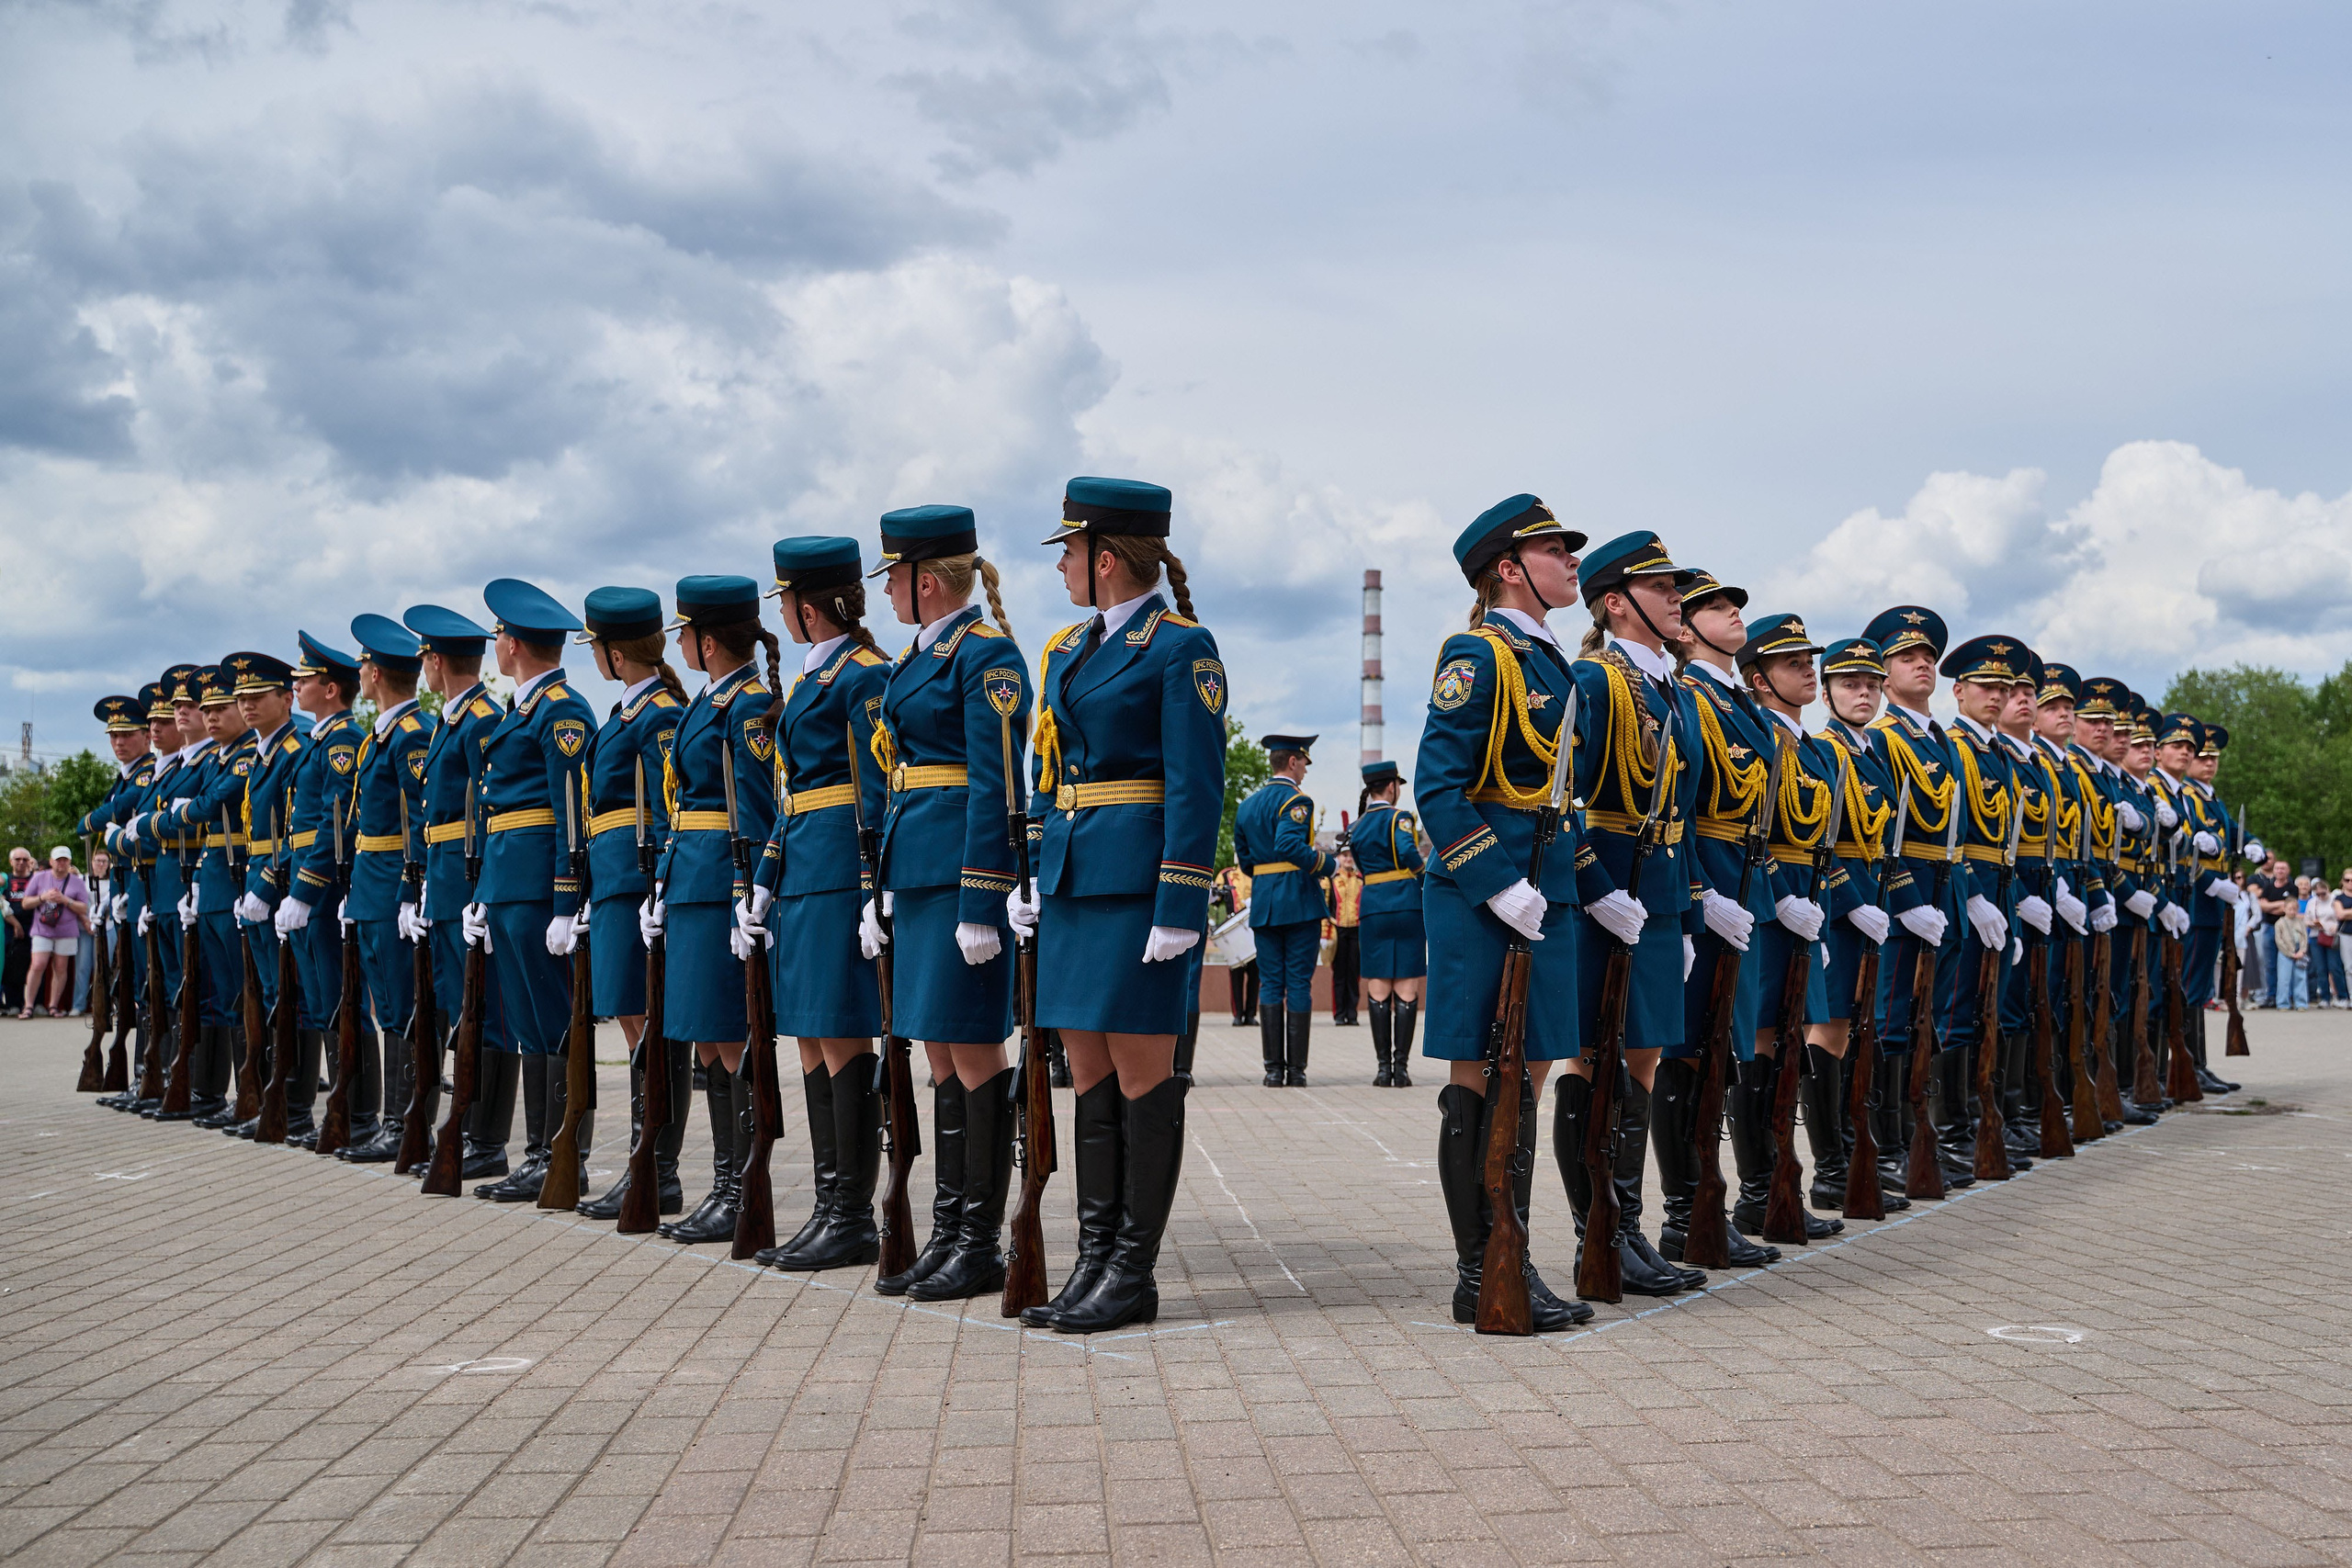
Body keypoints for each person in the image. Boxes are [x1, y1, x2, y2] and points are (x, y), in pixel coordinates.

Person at [1008, 475, 1225, 1336]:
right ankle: (1093, 1260)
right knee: (1089, 1074)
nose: (1061, 563)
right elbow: (1048, 770)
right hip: (1073, 882)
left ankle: (1132, 1271)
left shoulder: (1180, 648)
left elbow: (1196, 782)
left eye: (1069, 549)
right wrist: (1031, 872)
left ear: (1105, 558)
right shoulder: (1067, 648)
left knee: (1143, 1078)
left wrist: (1181, 899)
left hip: (1137, 886)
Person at [1413, 494, 1594, 1332]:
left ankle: (1509, 1256)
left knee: (1530, 1074)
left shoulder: (1553, 662)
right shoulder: (1478, 653)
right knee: (1479, 1078)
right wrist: (1495, 882)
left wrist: (1585, 887)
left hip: (1542, 894)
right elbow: (1438, 787)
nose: (1572, 561)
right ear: (1510, 569)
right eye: (1556, 549)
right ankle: (1479, 1267)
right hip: (1482, 898)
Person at [849, 506, 1030, 1298]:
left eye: (892, 576)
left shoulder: (985, 655)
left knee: (973, 1046)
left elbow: (997, 783)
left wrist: (983, 893)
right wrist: (882, 884)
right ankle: (951, 1228)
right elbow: (900, 779)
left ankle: (979, 1240)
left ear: (926, 581)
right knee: (938, 1049)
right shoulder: (914, 659)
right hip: (918, 872)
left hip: (960, 873)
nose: (885, 591)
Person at [1561, 531, 1711, 1296]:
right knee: (1596, 1060)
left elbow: (1684, 817)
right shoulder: (1592, 679)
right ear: (1616, 602)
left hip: (1655, 896)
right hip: (1607, 896)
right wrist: (1594, 887)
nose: (1677, 598)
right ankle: (1597, 1235)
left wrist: (1684, 916)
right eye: (1661, 588)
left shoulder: (1672, 690)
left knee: (1644, 1057)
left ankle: (1627, 1228)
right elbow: (1561, 802)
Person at [744, 540, 888, 1269]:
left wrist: (871, 887)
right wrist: (765, 878)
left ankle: (852, 1214)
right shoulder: (811, 677)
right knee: (807, 1034)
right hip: (802, 870)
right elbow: (790, 795)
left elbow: (876, 790)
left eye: (785, 600)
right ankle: (830, 1204)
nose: (781, 611)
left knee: (841, 1036)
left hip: (837, 874)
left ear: (806, 607)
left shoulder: (863, 674)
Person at [645, 575, 776, 1240]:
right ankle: (725, 1183)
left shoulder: (746, 705)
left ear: (709, 640)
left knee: (729, 1037)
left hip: (721, 882)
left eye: (686, 633)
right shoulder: (709, 699)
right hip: (690, 880)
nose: (679, 645)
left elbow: (754, 811)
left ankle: (741, 1187)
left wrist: (744, 894)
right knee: (707, 1040)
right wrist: (663, 883)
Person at [464, 581, 598, 1202]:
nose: (495, 643)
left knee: (555, 1023)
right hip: (509, 885)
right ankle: (539, 1153)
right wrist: (486, 892)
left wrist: (566, 901)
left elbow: (572, 814)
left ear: (513, 644)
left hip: (541, 891)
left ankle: (563, 1153)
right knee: (528, 1026)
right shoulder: (522, 710)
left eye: (498, 633)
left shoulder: (560, 711)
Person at [1736, 615, 1866, 1230]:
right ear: (1760, 679)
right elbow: (1746, 832)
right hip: (1768, 911)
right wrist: (1782, 897)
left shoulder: (1814, 749)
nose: (1808, 671)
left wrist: (1823, 910)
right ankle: (1758, 1191)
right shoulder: (1759, 735)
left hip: (1805, 914)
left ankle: (1781, 1184)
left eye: (1808, 661)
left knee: (1792, 1042)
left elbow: (1823, 847)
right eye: (1793, 663)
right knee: (1763, 1044)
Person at [1665, 570, 1777, 1264]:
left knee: (1723, 1052)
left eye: (1736, 603)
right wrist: (1700, 894)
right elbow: (1678, 807)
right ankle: (1686, 1212)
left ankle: (1711, 1203)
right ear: (1685, 627)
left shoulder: (1740, 703)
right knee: (1688, 1052)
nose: (1734, 612)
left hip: (1745, 886)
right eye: (1714, 606)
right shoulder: (1690, 697)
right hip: (1706, 886)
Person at [571, 588, 686, 1215]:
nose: (594, 656)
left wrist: (660, 884)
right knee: (632, 1019)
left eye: (597, 647)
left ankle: (657, 1168)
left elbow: (669, 809)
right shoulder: (626, 711)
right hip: (613, 879)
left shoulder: (660, 713)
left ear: (616, 654)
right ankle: (646, 1162)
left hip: (639, 880)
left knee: (651, 1025)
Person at [403, 603, 518, 1177]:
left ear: (436, 661)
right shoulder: (452, 720)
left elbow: (492, 812)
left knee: (485, 1012)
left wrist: (482, 890)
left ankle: (487, 1140)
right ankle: (470, 1132)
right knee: (459, 1006)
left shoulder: (480, 721)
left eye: (425, 656)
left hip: (470, 878)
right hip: (446, 876)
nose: (423, 666)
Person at [1810, 636, 1916, 1212]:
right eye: (1850, 684)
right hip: (1838, 908)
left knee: (1854, 1029)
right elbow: (1816, 842)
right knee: (1827, 1030)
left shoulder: (1873, 752)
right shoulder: (1826, 751)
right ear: (1826, 693)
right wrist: (1850, 901)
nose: (1864, 694)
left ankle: (1855, 1154)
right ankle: (1831, 1167)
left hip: (1871, 906)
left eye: (1873, 685)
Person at [335, 615, 436, 1164]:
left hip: (393, 883)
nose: (360, 675)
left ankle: (406, 1124)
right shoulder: (382, 734)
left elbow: (421, 818)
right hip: (370, 886)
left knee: (403, 1007)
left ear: (375, 674)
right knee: (389, 1010)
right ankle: (395, 1122)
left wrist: (409, 887)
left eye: (363, 667)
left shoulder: (411, 733)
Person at [273, 632, 365, 1147]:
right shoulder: (320, 742)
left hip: (325, 884)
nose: (296, 685)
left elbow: (336, 824)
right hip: (309, 879)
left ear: (330, 690)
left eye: (304, 679)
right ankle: (338, 1114)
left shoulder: (343, 742)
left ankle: (352, 1115)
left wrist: (306, 889)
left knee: (337, 1001)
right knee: (318, 1001)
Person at [1234, 733, 1334, 1087]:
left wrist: (1268, 876)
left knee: (1271, 983)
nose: (1305, 770)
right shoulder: (1297, 801)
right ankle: (1296, 1072)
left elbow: (1246, 861)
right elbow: (1289, 844)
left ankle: (1273, 1072)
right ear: (1292, 762)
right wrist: (1328, 864)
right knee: (1299, 984)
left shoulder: (1247, 806)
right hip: (1299, 903)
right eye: (1304, 762)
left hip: (1264, 902)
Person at [1349, 759, 1424, 1088]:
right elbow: (1407, 852)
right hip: (1405, 903)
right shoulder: (1400, 818)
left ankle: (1382, 1070)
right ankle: (1401, 1070)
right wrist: (1422, 876)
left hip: (1373, 906)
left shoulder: (1357, 825)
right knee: (1406, 985)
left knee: (1378, 985)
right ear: (1392, 786)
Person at [19, 847, 91, 1018]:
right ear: (51, 862)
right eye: (58, 860)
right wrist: (42, 898)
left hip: (66, 930)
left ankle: (53, 1006)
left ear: (69, 862)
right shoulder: (39, 877)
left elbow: (83, 908)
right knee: (38, 964)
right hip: (42, 929)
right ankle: (28, 1006)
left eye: (65, 860)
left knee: (60, 967)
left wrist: (65, 900)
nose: (62, 863)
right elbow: (25, 903)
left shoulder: (77, 882)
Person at [1327, 849, 1362, 1027]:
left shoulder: (1361, 880)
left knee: (1354, 973)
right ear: (1338, 858)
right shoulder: (1332, 880)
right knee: (1339, 974)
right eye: (1344, 856)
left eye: (1350, 856)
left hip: (1356, 930)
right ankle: (1339, 1013)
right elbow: (1327, 906)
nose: (1348, 859)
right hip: (1337, 929)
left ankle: (1352, 1013)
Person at [4, 847, 32, 1013]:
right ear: (11, 862)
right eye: (17, 859)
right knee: (11, 965)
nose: (21, 862)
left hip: (33, 927)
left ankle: (35, 1003)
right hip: (10, 928)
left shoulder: (36, 879)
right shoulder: (5, 881)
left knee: (34, 966)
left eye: (25, 859)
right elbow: (3, 906)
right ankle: (13, 1004)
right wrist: (15, 925)